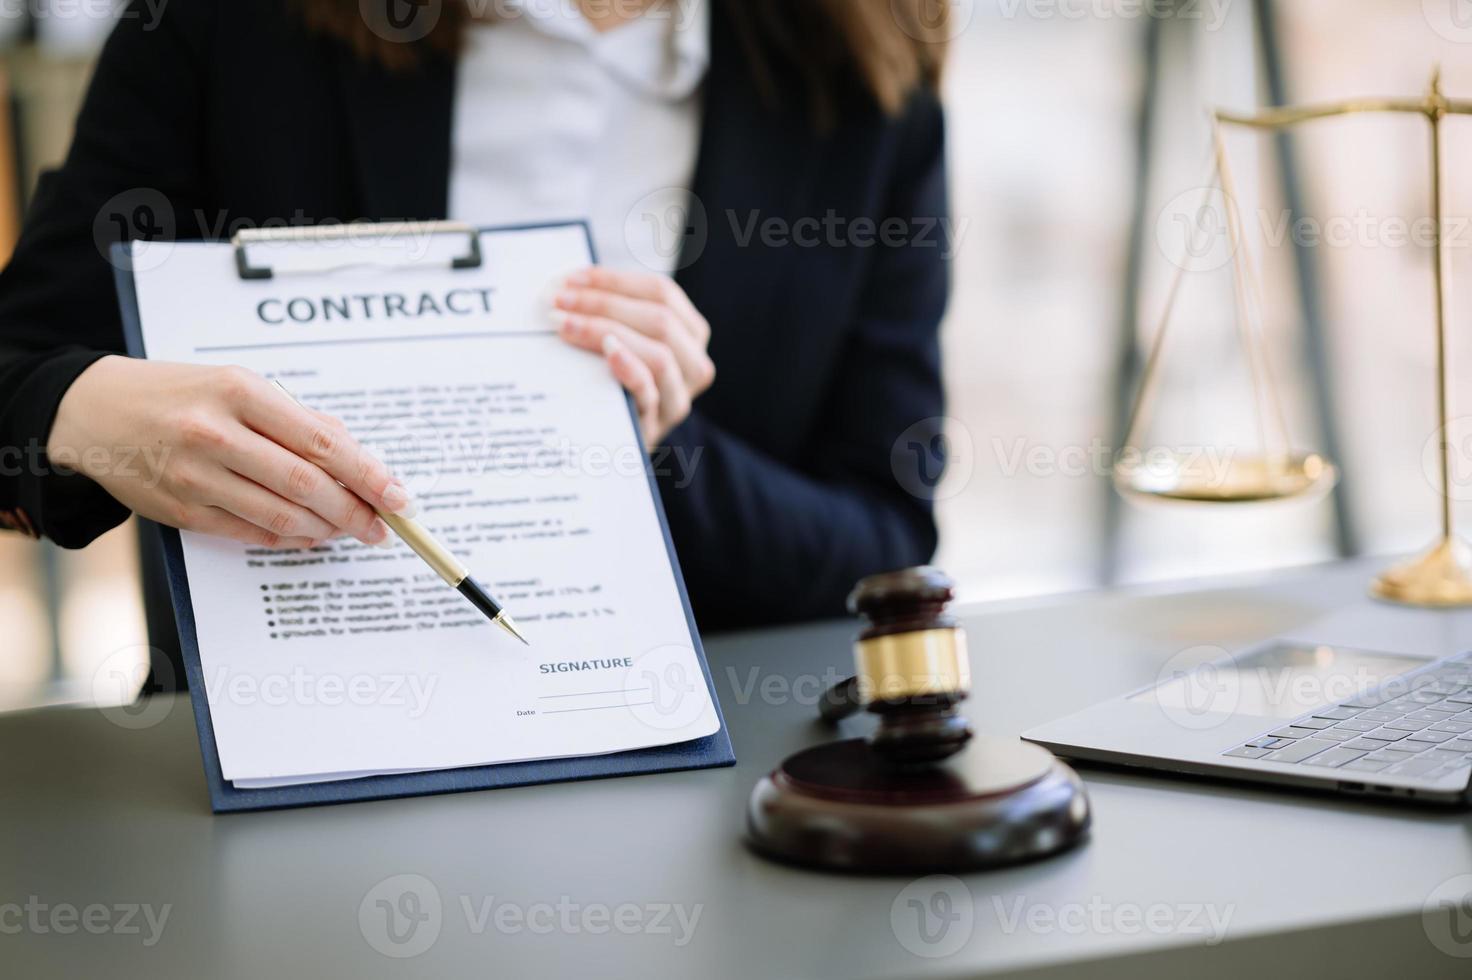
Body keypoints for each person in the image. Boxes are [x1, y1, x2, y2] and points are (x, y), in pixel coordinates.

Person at [0, 0, 951, 632]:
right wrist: (88, 412)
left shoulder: (866, 86)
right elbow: (19, 366)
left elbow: (882, 542)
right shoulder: (229, 25)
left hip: (695, 785)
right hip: (278, 764)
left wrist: (659, 447)